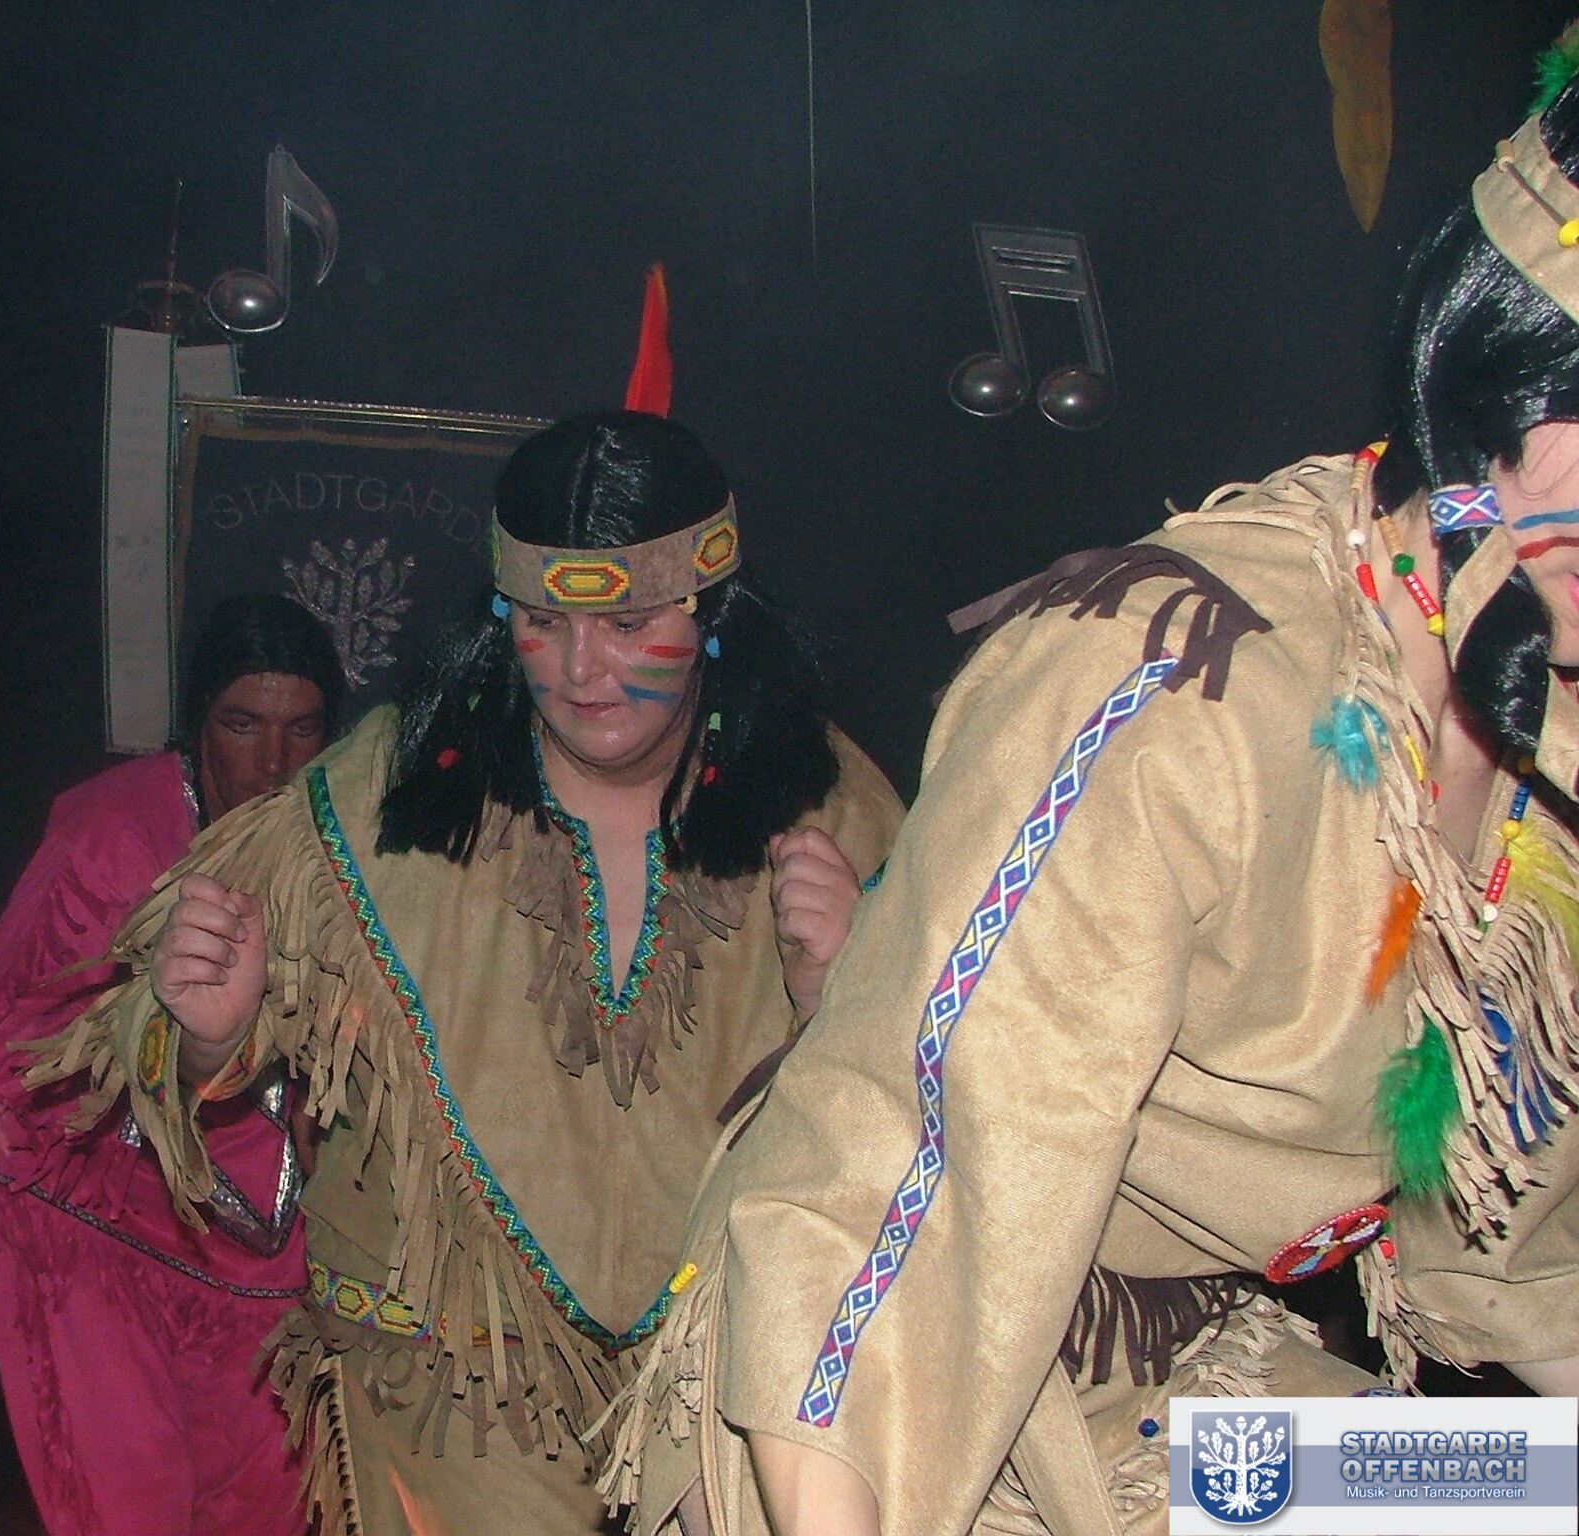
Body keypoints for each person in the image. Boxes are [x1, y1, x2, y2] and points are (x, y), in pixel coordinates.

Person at [603, 65, 1579, 1536]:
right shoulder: (1175, 690)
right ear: (1503, 387)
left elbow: (1512, 1231)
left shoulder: (1545, 739)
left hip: (1196, 1379)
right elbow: (904, 1181)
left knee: (1503, 1498)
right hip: (909, 1410)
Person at [20, 410, 907, 1535]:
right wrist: (210, 1036)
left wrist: (840, 1000)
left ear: (709, 610)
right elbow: (196, 1060)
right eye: (543, 622)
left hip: (722, 1375)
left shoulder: (833, 804)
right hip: (449, 1382)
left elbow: (947, 1115)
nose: (581, 671)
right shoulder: (383, 793)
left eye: (628, 623)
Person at [0, 592, 345, 1536]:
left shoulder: (345, 841)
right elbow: (24, 1022)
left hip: (267, 1247)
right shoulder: (114, 832)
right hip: (109, 1223)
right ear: (198, 723)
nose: (273, 762)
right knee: (133, 1495)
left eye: (302, 729)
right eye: (242, 724)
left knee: (266, 1502)